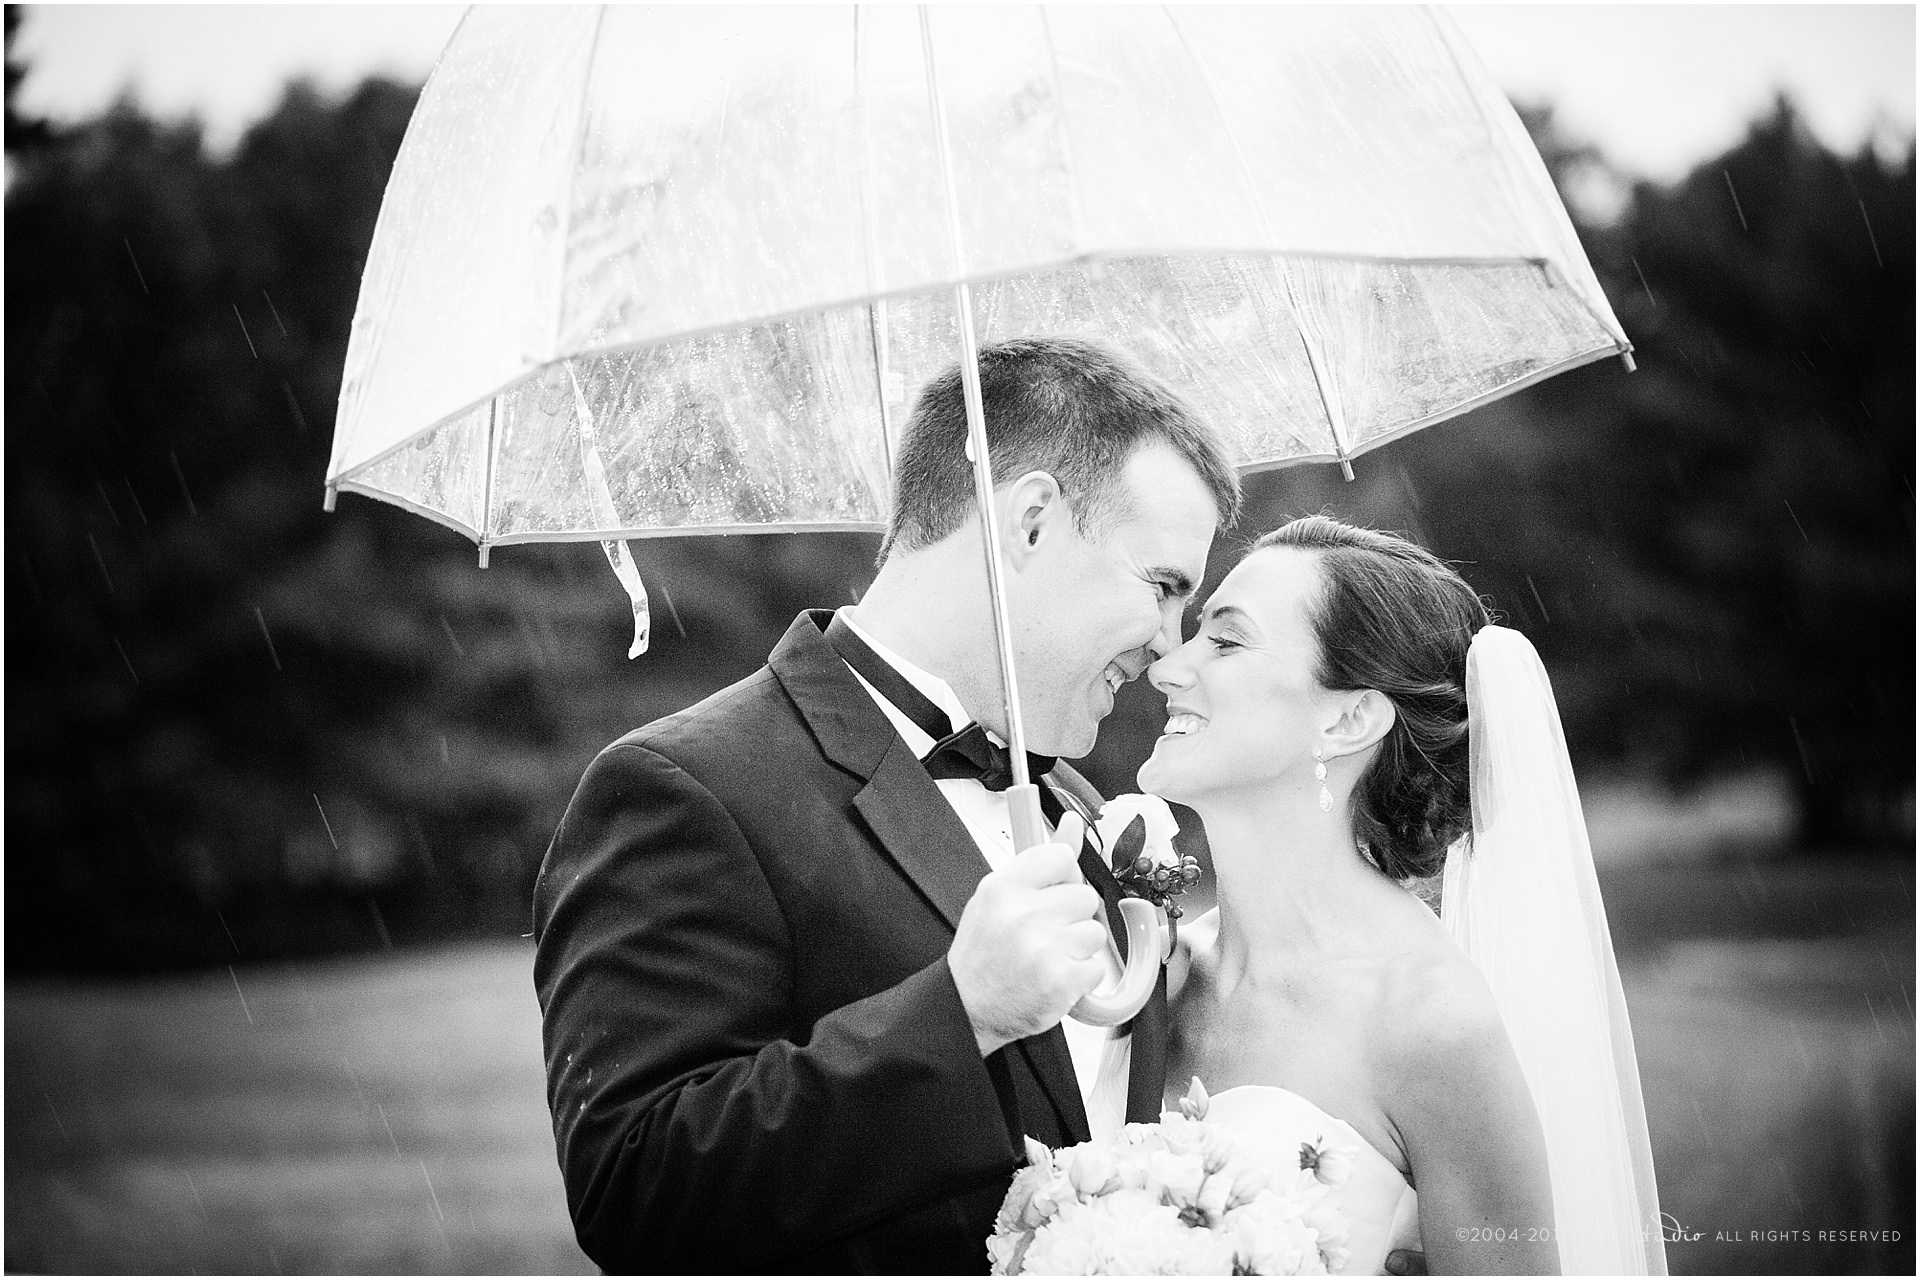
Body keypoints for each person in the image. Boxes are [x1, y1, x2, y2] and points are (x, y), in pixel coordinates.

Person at [531, 336, 1241, 1272]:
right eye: (1162, 588)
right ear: (1028, 523)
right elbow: (637, 1187)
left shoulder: (1074, 803)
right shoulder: (684, 788)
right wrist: (963, 1011)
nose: (1169, 645)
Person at [1143, 516, 1666, 1276]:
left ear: (1350, 717)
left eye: (1225, 641)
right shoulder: (1148, 974)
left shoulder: (1429, 1024)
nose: (1166, 665)